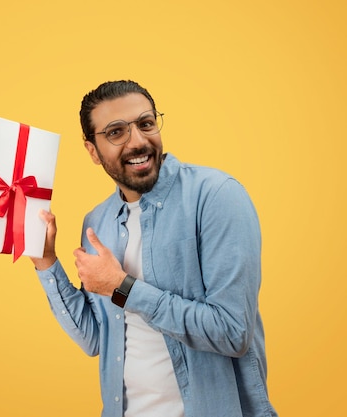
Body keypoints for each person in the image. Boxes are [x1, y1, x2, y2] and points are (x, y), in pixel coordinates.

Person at [30, 80, 277, 417]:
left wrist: (123, 288)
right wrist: (46, 260)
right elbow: (96, 340)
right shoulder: (98, 221)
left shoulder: (216, 196)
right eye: (116, 132)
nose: (138, 141)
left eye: (146, 124)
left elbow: (232, 332)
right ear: (92, 150)